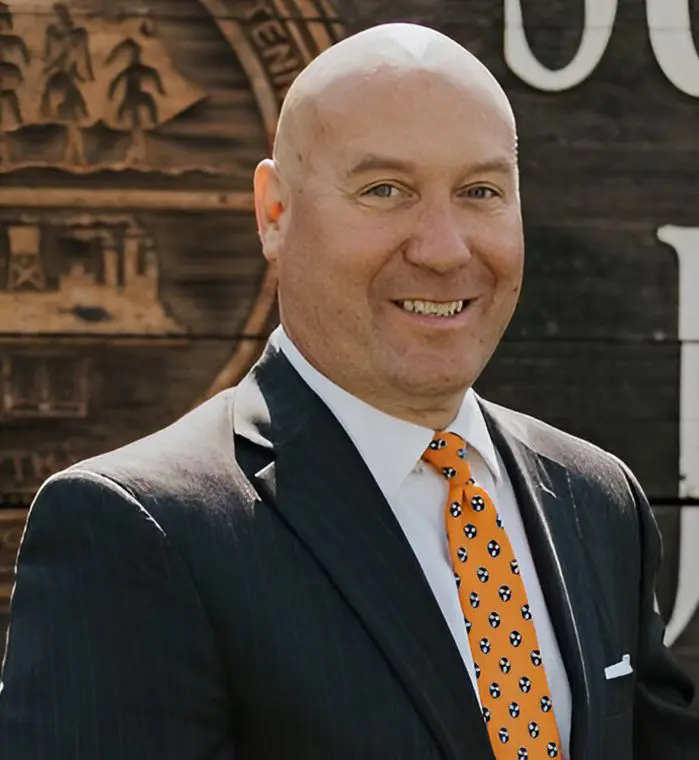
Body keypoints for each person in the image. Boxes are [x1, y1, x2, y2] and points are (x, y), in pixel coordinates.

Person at [1, 22, 697, 760]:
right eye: (384, 190)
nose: (443, 247)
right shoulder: (136, 529)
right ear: (274, 213)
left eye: (479, 191)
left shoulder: (597, 501)